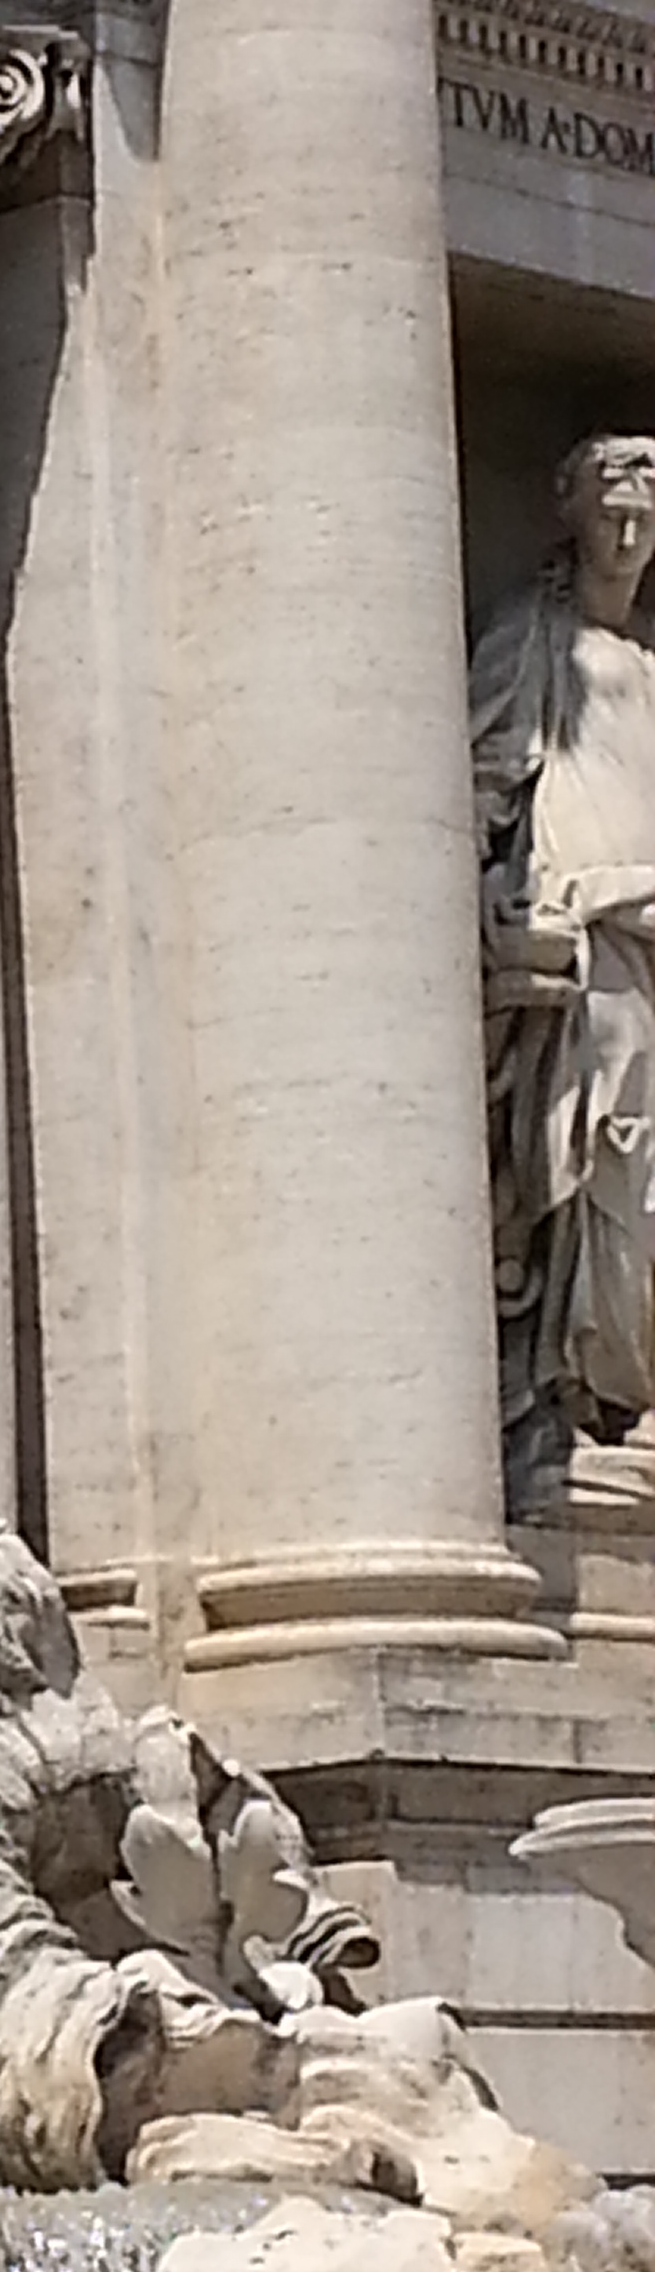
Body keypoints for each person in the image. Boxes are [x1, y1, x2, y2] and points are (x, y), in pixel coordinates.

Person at [475, 432, 655, 1509]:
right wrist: (498, 917)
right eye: (611, 506)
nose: (628, 531)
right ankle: (582, 1400)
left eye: (645, 514)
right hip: (587, 944)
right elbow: (482, 781)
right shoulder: (532, 642)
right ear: (569, 509)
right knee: (598, 1167)